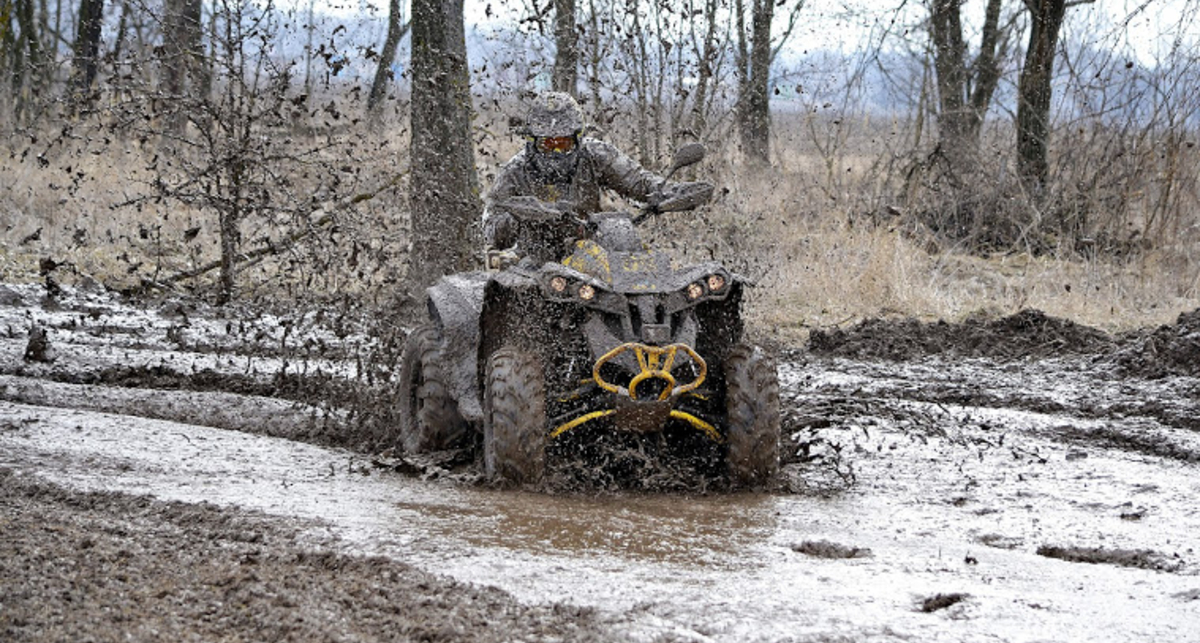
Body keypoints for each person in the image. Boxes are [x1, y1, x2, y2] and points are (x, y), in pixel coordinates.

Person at [483, 91, 713, 264]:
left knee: (642, 267)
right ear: (533, 141)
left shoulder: (595, 154)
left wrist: (669, 192)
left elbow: (638, 181)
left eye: (563, 143)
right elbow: (490, 226)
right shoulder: (515, 171)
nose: (555, 151)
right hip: (535, 253)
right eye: (548, 143)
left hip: (594, 243)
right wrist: (523, 218)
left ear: (577, 138)